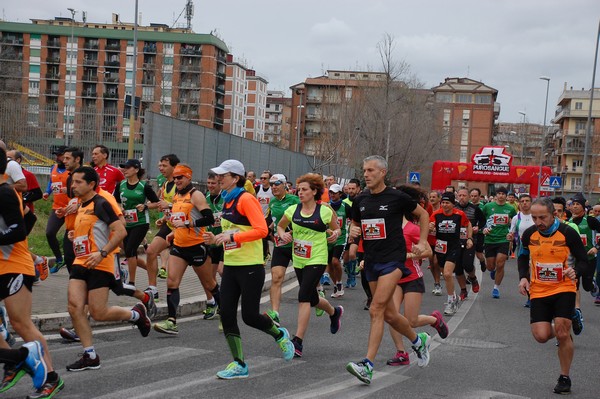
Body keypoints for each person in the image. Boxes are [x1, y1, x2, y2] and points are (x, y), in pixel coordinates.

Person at [203, 159, 294, 379]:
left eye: (222, 176)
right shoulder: (226, 200)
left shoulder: (245, 199)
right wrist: (215, 239)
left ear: (235, 178)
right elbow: (232, 232)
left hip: (251, 266)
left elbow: (262, 230)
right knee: (226, 314)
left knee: (250, 316)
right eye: (218, 175)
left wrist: (232, 236)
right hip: (232, 265)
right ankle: (239, 363)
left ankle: (279, 334)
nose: (218, 179)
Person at [346, 155, 431, 385]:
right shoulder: (360, 199)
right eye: (364, 170)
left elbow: (423, 215)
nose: (366, 174)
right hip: (372, 260)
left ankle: (367, 365)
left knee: (376, 309)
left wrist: (423, 242)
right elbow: (356, 224)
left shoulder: (396, 197)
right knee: (390, 314)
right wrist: (353, 237)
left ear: (382, 173)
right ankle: (418, 340)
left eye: (371, 170)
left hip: (393, 261)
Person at [65, 166, 151, 371]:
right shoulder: (81, 205)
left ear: (91, 184)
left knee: (99, 313)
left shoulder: (101, 203)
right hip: (81, 262)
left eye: (78, 182)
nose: (73, 186)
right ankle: (90, 355)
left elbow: (120, 231)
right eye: (73, 182)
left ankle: (136, 314)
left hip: (100, 264)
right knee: (74, 307)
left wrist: (103, 252)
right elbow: (92, 231)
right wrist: (75, 236)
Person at [0, 147, 64, 398]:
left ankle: (49, 377)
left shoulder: (4, 192)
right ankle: (14, 360)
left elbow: (18, 230)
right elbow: (26, 216)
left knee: (21, 323)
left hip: (14, 266)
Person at [518, 197, 592, 394]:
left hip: (563, 288)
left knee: (561, 332)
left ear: (554, 215)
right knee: (541, 336)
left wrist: (575, 270)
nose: (538, 222)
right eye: (534, 218)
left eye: (543, 217)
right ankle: (565, 323)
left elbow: (584, 261)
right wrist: (523, 278)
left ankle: (564, 377)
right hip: (539, 289)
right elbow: (523, 256)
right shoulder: (529, 234)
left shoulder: (568, 233)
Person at [276, 173, 344, 357]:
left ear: (315, 191)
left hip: (317, 258)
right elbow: (280, 226)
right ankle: (333, 312)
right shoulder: (292, 210)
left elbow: (337, 227)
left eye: (305, 190)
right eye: (299, 189)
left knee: (303, 296)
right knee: (312, 299)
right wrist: (283, 234)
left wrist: (335, 234)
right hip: (299, 258)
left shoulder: (325, 211)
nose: (300, 193)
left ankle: (298, 341)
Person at [386, 185, 448, 366]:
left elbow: (428, 252)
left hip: (412, 277)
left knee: (411, 321)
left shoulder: (412, 229)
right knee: (392, 316)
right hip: (394, 278)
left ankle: (435, 320)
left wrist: (410, 255)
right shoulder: (389, 225)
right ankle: (401, 352)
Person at [153, 164, 218, 335]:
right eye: (175, 178)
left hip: (197, 247)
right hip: (179, 247)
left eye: (180, 177)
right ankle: (171, 321)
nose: (177, 180)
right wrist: (173, 231)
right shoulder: (176, 196)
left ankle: (225, 313)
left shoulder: (196, 195)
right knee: (172, 282)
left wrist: (188, 224)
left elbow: (208, 218)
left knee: (210, 284)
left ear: (188, 177)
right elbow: (179, 218)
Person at [114, 159, 160, 293]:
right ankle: (140, 275)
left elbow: (156, 203)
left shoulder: (143, 186)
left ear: (136, 169)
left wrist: (145, 206)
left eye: (127, 168)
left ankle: (131, 282)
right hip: (126, 222)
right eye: (123, 168)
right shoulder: (120, 185)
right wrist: (119, 208)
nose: (124, 170)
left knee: (129, 250)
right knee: (129, 252)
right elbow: (115, 201)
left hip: (140, 223)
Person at [6, 150, 48, 282]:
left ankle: (31, 271)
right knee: (14, 247)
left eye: (10, 157)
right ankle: (36, 264)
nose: (8, 160)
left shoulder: (25, 174)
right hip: (12, 213)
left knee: (16, 247)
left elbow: (36, 193)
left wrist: (22, 199)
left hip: (21, 214)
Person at [430, 192, 473, 315]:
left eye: (447, 202)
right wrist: (430, 227)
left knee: (448, 274)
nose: (444, 205)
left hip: (454, 246)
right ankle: (453, 296)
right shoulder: (436, 214)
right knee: (445, 273)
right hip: (440, 246)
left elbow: (468, 224)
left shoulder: (459, 214)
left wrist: (469, 238)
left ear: (453, 204)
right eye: (443, 202)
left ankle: (450, 302)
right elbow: (430, 225)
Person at [265, 174, 300, 325]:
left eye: (276, 184)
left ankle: (318, 289)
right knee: (276, 277)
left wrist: (290, 233)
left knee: (305, 280)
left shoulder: (294, 200)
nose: (273, 187)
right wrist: (271, 229)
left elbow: (304, 218)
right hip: (280, 245)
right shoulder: (272, 202)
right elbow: (274, 220)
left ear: (285, 185)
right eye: (271, 184)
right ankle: (275, 313)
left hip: (296, 244)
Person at [567, 192, 600, 334]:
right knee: (574, 283)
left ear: (583, 206)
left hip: (589, 258)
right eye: (573, 204)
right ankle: (577, 309)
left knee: (586, 286)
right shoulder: (568, 222)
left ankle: (593, 285)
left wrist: (596, 247)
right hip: (575, 259)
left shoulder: (591, 221)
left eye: (577, 204)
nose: (575, 207)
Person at [146, 154, 180, 285]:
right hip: (170, 225)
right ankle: (152, 287)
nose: (161, 168)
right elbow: (166, 204)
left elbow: (188, 206)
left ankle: (213, 296)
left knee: (204, 273)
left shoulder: (180, 184)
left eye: (164, 165)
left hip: (184, 228)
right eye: (160, 165)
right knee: (150, 251)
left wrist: (169, 205)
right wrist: (165, 218)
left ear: (175, 167)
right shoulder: (166, 184)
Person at [482, 186, 516, 299]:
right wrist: (484, 228)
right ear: (496, 195)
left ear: (506, 196)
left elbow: (514, 222)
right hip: (490, 239)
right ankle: (493, 270)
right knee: (490, 266)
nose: (501, 195)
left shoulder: (510, 209)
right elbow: (481, 220)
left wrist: (511, 233)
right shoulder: (488, 206)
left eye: (503, 194)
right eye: (499, 193)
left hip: (503, 239)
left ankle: (496, 288)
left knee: (501, 263)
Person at [454, 188, 484, 299]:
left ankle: (473, 279)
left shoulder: (474, 209)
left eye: (464, 195)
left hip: (470, 240)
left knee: (467, 264)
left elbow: (483, 220)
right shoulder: (454, 208)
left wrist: (478, 227)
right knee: (457, 268)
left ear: (468, 197)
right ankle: (463, 290)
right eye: (460, 195)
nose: (462, 197)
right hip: (456, 241)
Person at [43, 145, 69, 273]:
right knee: (49, 232)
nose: (57, 157)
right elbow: (51, 182)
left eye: (59, 155)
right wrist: (47, 192)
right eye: (56, 155)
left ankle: (71, 261)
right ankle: (59, 259)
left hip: (71, 208)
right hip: (57, 207)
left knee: (68, 238)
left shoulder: (73, 170)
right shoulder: (53, 168)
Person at [204, 171, 225, 320]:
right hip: (211, 241)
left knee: (222, 271)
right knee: (209, 277)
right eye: (209, 183)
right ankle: (214, 303)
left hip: (223, 241)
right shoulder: (204, 199)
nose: (210, 186)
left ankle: (227, 299)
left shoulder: (225, 198)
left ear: (219, 184)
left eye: (213, 183)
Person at [327, 183, 352, 298]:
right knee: (329, 265)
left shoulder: (345, 206)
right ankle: (336, 284)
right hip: (327, 238)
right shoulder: (326, 206)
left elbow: (354, 220)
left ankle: (340, 283)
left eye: (334, 193)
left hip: (341, 237)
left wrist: (352, 233)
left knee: (335, 261)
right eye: (330, 192)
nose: (332, 195)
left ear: (340, 194)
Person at [343, 179, 361, 288]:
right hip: (346, 233)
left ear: (358, 189)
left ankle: (352, 275)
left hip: (357, 232)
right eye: (349, 189)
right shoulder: (344, 203)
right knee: (345, 258)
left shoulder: (362, 200)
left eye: (353, 189)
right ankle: (349, 272)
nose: (350, 191)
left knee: (352, 254)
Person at [256, 170, 274, 261]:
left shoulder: (273, 189)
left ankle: (265, 255)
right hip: (258, 215)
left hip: (268, 215)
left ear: (269, 179)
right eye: (261, 178)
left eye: (265, 178)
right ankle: (267, 253)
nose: (262, 180)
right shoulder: (258, 188)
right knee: (263, 236)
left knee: (264, 235)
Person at [427, 191, 443, 295]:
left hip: (440, 240)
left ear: (439, 198)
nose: (432, 199)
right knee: (432, 263)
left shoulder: (442, 210)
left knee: (437, 262)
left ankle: (438, 284)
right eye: (430, 197)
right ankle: (436, 282)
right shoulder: (427, 210)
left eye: (434, 197)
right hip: (429, 240)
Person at [469, 188, 488, 272]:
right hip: (469, 233)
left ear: (479, 197)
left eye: (475, 196)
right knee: (469, 254)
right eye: (472, 196)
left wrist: (479, 227)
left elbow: (485, 220)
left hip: (480, 233)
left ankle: (482, 261)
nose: (473, 198)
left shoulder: (483, 207)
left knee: (478, 253)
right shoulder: (468, 206)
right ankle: (470, 272)